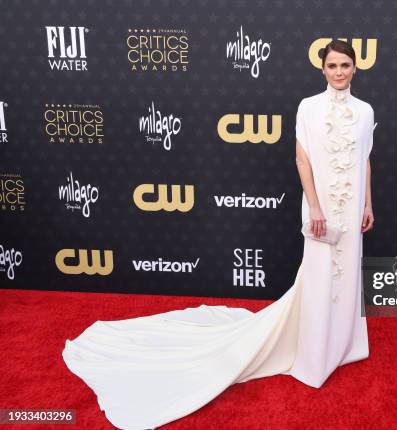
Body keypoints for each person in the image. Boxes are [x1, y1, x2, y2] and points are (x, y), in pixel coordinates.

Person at [61, 39, 375, 430]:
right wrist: (313, 205)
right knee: (318, 274)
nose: (340, 71)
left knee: (346, 276)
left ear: (356, 67)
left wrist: (367, 204)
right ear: (323, 68)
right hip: (321, 209)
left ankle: (342, 342)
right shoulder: (308, 107)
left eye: (346, 65)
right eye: (333, 65)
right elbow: (302, 158)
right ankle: (315, 351)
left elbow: (363, 159)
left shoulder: (365, 112)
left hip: (351, 209)